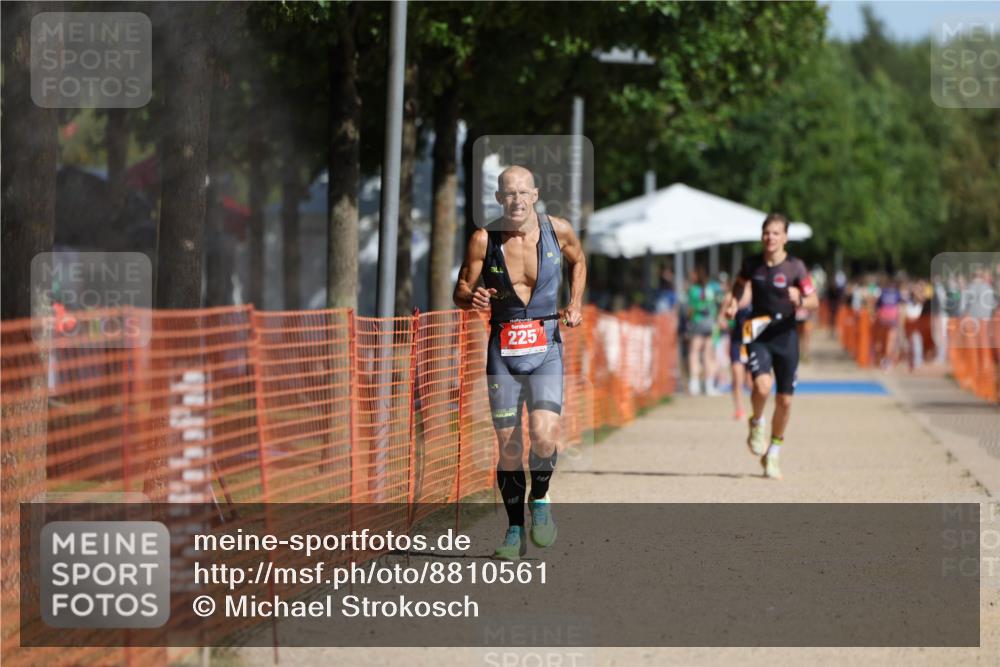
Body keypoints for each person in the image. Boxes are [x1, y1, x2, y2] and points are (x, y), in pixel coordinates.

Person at [453, 165, 586, 561]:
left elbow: (578, 261)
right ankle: (514, 530)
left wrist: (575, 302)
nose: (516, 200)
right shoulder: (484, 238)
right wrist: (471, 297)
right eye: (509, 193)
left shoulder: (558, 231)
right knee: (508, 447)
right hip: (503, 352)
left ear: (535, 195)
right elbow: (461, 288)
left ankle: (539, 499)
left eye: (523, 192)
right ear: (499, 198)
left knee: (544, 436)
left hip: (546, 349)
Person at [723, 213, 818, 479]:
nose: (770, 237)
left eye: (776, 233)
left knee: (785, 400)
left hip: (786, 335)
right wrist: (733, 303)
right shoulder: (752, 264)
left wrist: (801, 299)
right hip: (758, 331)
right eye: (766, 232)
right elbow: (739, 284)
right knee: (762, 386)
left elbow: (814, 301)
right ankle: (756, 422)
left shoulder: (795, 267)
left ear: (785, 237)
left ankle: (773, 452)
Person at [685, 265, 721, 395]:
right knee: (708, 354)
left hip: (697, 322)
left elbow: (690, 309)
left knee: (694, 353)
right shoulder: (712, 288)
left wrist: (687, 323)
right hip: (710, 323)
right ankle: (709, 385)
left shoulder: (693, 290)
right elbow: (718, 303)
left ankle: (694, 383)